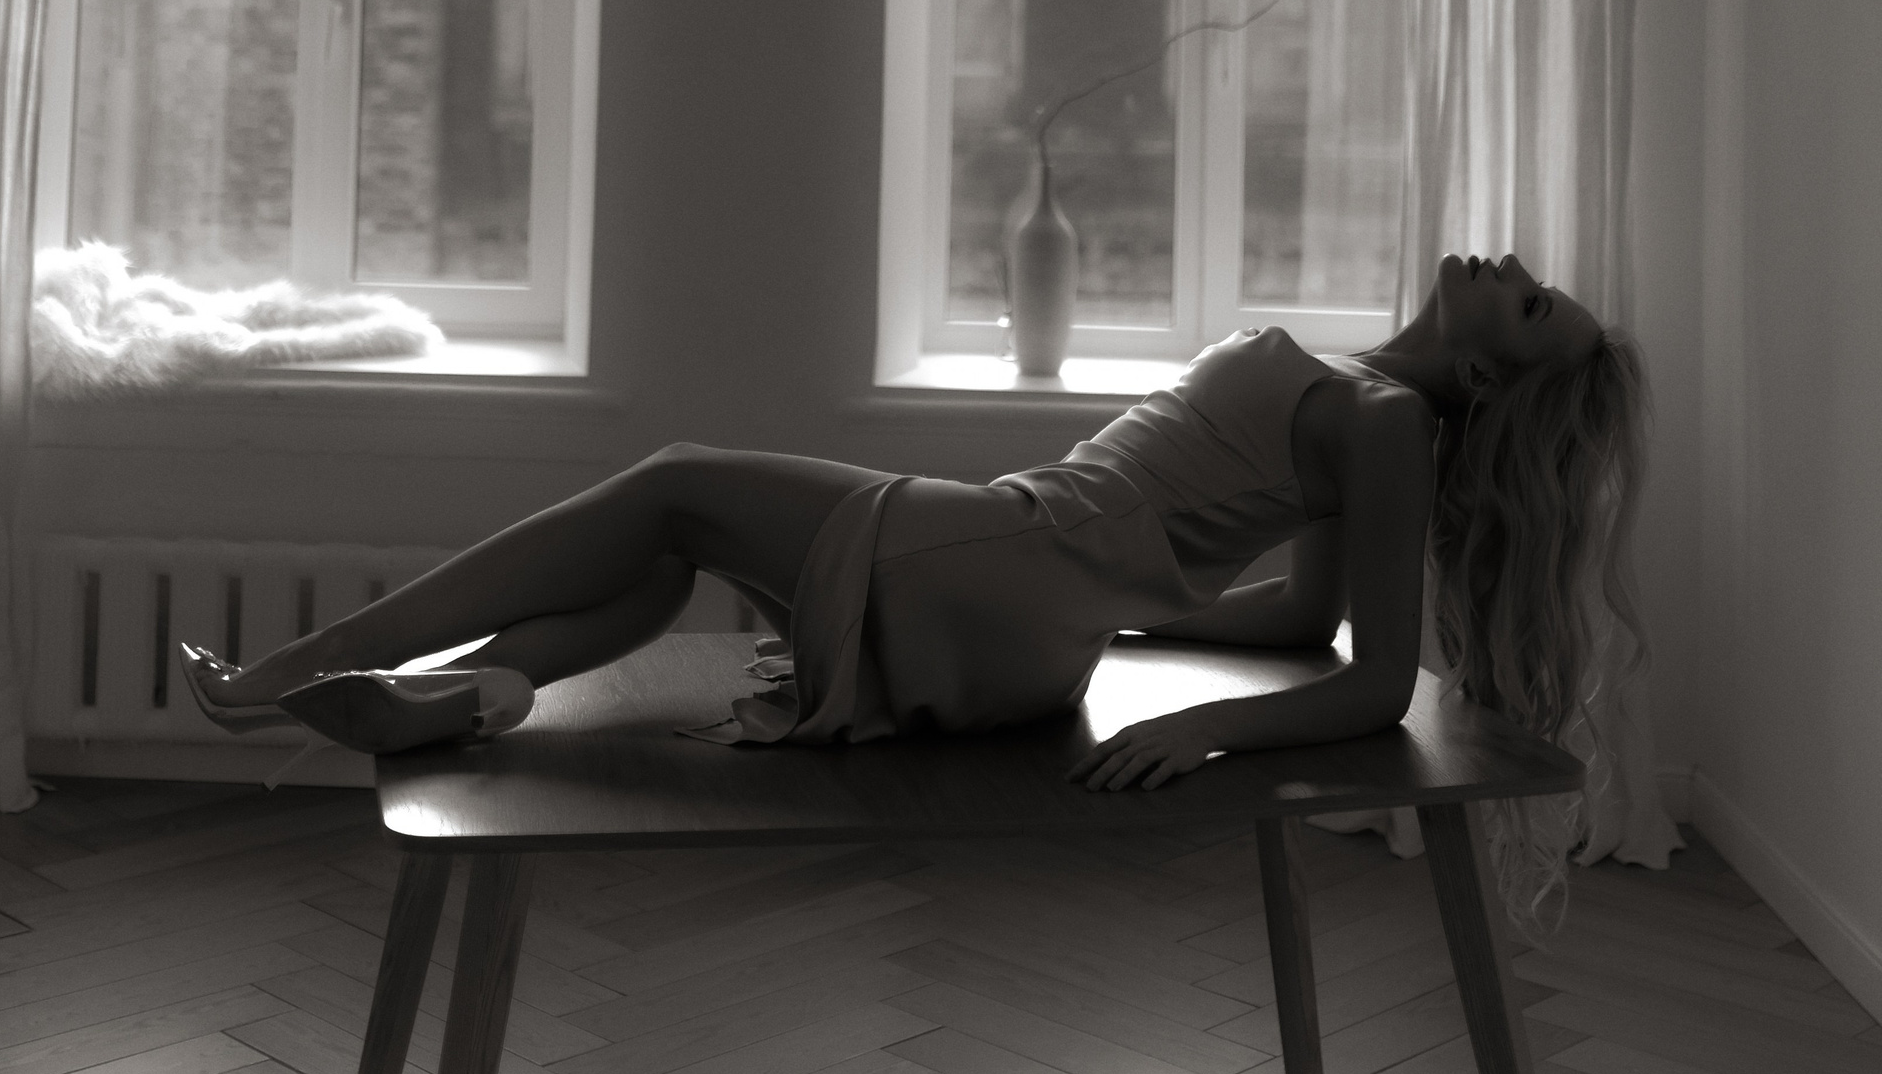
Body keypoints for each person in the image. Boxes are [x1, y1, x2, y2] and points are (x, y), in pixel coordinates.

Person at [185, 251, 1647, 914]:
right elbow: (1293, 618)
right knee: (674, 546)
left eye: (1527, 303)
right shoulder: (1365, 401)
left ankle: (284, 674)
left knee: (674, 482)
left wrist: (1201, 726)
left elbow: (1371, 675)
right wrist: (1113, 614)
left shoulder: (1383, 421)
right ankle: (469, 693)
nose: (1508, 262)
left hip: (1008, 554)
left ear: (1487, 374)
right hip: (1027, 595)